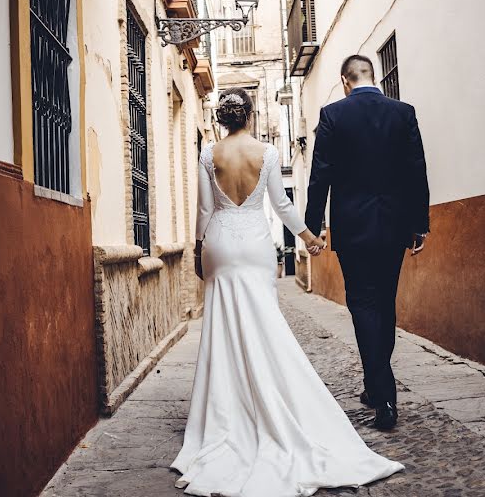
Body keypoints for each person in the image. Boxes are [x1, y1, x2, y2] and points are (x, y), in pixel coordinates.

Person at [170, 89, 404, 497]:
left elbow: (206, 212)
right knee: (265, 323)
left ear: (222, 120)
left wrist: (197, 249)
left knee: (223, 329)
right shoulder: (269, 154)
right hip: (256, 246)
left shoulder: (208, 155)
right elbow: (281, 204)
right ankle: (274, 398)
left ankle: (228, 410)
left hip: (221, 244)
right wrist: (309, 237)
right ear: (251, 115)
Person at [304, 54, 430, 431]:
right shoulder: (403, 112)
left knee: (362, 304)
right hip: (393, 228)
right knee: (385, 303)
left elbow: (319, 176)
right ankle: (377, 388)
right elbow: (416, 170)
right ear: (372, 76)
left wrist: (313, 227)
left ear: (346, 81)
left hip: (353, 229)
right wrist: (418, 225)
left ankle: (382, 393)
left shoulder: (332, 116)